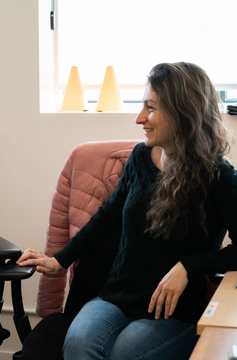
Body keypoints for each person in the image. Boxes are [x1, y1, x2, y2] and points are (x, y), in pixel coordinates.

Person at [18, 62, 237, 360]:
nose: (139, 118)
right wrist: (59, 260)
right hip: (116, 297)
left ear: (183, 112)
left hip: (174, 314)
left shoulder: (220, 177)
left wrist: (191, 266)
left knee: (124, 352)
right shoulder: (140, 158)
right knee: (78, 343)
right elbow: (107, 217)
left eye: (150, 107)